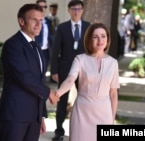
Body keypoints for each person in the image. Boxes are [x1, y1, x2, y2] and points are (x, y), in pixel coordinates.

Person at [0, 3, 59, 141]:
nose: (38, 24)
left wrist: (41, 115)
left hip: (33, 117)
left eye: (41, 20)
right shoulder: (12, 45)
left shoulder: (36, 46)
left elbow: (39, 80)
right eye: (34, 20)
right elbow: (24, 77)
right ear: (21, 21)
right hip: (15, 115)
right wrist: (49, 93)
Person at [55, 22, 120, 141]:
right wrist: (58, 93)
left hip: (104, 113)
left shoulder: (113, 63)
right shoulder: (80, 59)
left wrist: (112, 118)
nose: (100, 40)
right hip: (82, 112)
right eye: (95, 37)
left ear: (107, 39)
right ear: (89, 39)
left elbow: (113, 93)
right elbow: (70, 79)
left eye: (103, 36)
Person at [50, 0, 90, 140]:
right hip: (64, 69)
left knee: (84, 99)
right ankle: (59, 131)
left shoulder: (88, 27)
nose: (76, 11)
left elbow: (91, 50)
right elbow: (55, 50)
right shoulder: (62, 27)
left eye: (79, 9)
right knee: (62, 100)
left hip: (83, 69)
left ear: (82, 11)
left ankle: (84, 130)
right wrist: (54, 70)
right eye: (73, 9)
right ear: (69, 10)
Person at [35, 0, 53, 74]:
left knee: (43, 73)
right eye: (40, 7)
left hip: (46, 52)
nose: (43, 8)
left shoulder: (48, 21)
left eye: (45, 6)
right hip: (35, 50)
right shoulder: (31, 20)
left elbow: (51, 36)